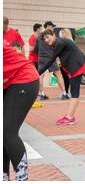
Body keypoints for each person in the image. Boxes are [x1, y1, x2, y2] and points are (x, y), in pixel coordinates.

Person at [3, 40, 40, 181]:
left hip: (24, 79)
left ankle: (22, 177)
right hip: (10, 82)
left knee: (7, 131)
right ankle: (4, 176)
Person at [38, 29, 85, 125]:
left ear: (53, 35)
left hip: (77, 67)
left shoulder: (59, 42)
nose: (47, 40)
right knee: (74, 93)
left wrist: (38, 73)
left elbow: (51, 59)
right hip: (76, 67)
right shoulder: (58, 43)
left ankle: (70, 117)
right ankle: (70, 116)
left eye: (48, 37)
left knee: (74, 93)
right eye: (45, 39)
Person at [37, 21, 68, 100]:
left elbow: (36, 48)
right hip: (50, 57)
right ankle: (64, 93)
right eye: (52, 26)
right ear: (48, 26)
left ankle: (41, 94)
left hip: (42, 57)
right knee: (58, 74)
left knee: (41, 75)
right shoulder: (50, 36)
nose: (53, 28)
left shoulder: (40, 36)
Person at [59, 28, 75, 96]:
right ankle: (66, 92)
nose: (61, 34)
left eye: (63, 33)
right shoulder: (62, 42)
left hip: (70, 63)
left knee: (71, 78)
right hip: (63, 63)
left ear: (67, 34)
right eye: (61, 33)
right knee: (65, 78)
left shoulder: (70, 42)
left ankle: (72, 92)